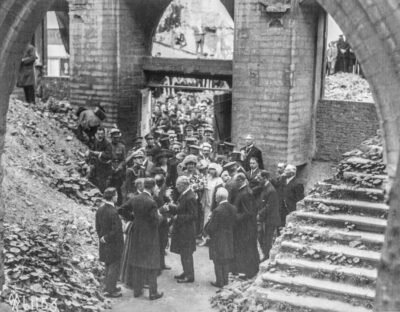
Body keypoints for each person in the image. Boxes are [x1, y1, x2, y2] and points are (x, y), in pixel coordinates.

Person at [129, 178, 164, 300]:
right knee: (152, 263)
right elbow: (155, 222)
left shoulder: (135, 198)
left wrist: (133, 219)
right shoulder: (151, 202)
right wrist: (161, 217)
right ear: (153, 187)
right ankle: (153, 293)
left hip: (137, 234)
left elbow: (123, 210)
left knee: (138, 262)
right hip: (150, 236)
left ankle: (137, 291)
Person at [162, 176, 198, 283]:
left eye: (178, 185)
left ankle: (189, 275)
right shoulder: (185, 194)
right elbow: (181, 208)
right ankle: (186, 272)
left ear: (184, 185)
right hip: (183, 229)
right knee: (184, 252)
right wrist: (172, 207)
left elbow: (194, 215)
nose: (176, 187)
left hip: (187, 230)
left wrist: (178, 217)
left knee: (187, 253)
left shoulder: (190, 197)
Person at [205, 188, 236, 288]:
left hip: (218, 238)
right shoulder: (233, 208)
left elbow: (211, 228)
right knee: (226, 260)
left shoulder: (217, 210)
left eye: (215, 196)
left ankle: (219, 281)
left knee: (217, 260)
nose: (215, 198)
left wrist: (209, 220)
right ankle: (225, 280)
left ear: (219, 197)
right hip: (229, 237)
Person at [95, 188, 124, 298]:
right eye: (116, 195)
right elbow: (116, 230)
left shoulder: (100, 209)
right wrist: (107, 238)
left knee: (108, 264)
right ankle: (110, 290)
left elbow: (97, 226)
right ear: (112, 197)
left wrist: (102, 237)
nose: (117, 197)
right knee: (114, 266)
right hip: (114, 243)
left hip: (104, 242)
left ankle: (109, 286)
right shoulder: (113, 211)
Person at [231, 173, 259, 279]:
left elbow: (248, 212)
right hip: (244, 226)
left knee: (248, 249)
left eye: (235, 181)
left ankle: (250, 272)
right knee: (245, 248)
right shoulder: (242, 191)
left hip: (246, 227)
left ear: (240, 181)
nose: (233, 183)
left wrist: (234, 217)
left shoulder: (246, 193)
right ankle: (246, 271)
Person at [255, 170, 281, 261]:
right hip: (266, 218)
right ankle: (266, 256)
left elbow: (269, 206)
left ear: (265, 178)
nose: (256, 179)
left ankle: (267, 258)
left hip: (270, 219)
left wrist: (259, 214)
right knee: (263, 238)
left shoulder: (271, 190)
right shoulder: (264, 187)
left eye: (259, 177)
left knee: (268, 239)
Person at [199, 163, 223, 246]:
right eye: (210, 169)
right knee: (205, 220)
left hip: (213, 203)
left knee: (211, 220)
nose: (211, 171)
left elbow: (218, 193)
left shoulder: (219, 180)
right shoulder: (207, 178)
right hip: (206, 202)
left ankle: (211, 239)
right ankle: (204, 238)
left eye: (213, 169)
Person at [87, 127, 112, 192]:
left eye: (101, 134)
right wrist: (89, 152)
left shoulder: (108, 143)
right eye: (98, 134)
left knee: (102, 184)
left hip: (104, 167)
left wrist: (100, 153)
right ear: (96, 134)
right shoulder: (96, 141)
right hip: (96, 165)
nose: (100, 135)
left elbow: (109, 155)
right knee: (92, 180)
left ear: (104, 134)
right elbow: (92, 150)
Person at [108, 128, 126, 205]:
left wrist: (119, 167)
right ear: (111, 137)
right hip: (110, 168)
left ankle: (119, 206)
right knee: (109, 187)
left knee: (119, 188)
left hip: (119, 170)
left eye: (118, 138)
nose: (116, 139)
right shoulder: (108, 146)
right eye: (115, 138)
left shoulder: (122, 147)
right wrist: (111, 167)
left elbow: (124, 160)